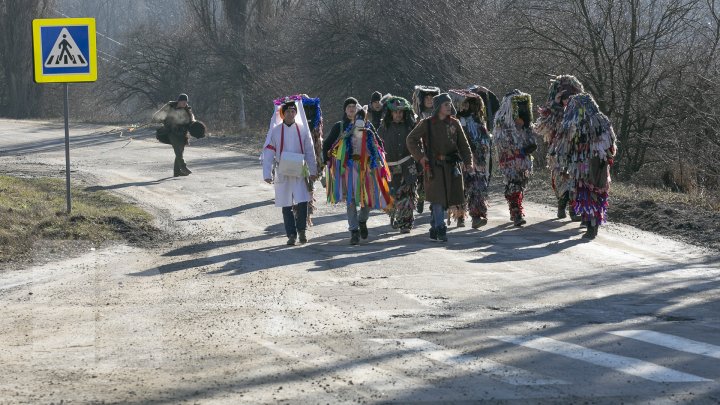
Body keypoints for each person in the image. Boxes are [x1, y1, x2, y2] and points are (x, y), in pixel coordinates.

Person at [406, 93, 473, 242]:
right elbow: (411, 140)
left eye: (450, 104)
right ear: (438, 107)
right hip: (433, 167)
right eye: (446, 104)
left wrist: (469, 164)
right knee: (437, 199)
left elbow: (464, 145)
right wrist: (421, 157)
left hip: (452, 166)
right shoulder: (426, 123)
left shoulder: (454, 123)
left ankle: (434, 226)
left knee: (447, 199)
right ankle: (441, 228)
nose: (449, 107)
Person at [326, 105, 392, 245]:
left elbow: (378, 150)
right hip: (352, 171)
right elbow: (337, 150)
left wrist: (380, 163)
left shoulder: (370, 133)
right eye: (358, 117)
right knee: (351, 201)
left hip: (367, 170)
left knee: (367, 200)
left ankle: (362, 220)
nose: (360, 120)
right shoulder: (347, 133)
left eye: (362, 117)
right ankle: (354, 231)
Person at [262, 97, 318, 245]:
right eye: (287, 111)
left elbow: (309, 151)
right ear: (282, 113)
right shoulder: (275, 131)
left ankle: (302, 231)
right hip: (282, 170)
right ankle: (291, 234)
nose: (290, 114)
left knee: (303, 200)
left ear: (296, 113)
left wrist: (313, 170)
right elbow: (268, 152)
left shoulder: (302, 130)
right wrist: (267, 173)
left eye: (293, 111)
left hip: (299, 169)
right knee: (285, 202)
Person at [563, 93, 617, 239]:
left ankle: (591, 225)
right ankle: (592, 224)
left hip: (585, 165)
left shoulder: (579, 123)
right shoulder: (603, 120)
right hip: (600, 163)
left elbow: (571, 144)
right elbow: (611, 143)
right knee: (597, 193)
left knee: (587, 192)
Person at [534, 75, 585, 220]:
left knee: (575, 179)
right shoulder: (554, 112)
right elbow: (544, 125)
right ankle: (562, 205)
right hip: (558, 152)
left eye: (569, 98)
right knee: (561, 179)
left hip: (575, 150)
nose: (566, 101)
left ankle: (573, 210)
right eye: (564, 98)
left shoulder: (579, 112)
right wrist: (555, 105)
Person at [493, 90, 538, 226]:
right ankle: (516, 211)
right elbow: (500, 141)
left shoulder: (526, 121)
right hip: (510, 160)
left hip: (523, 159)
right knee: (513, 184)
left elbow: (531, 137)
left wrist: (530, 144)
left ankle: (515, 208)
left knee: (520, 183)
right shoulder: (502, 121)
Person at [450, 89, 493, 229]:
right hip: (461, 160)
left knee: (477, 188)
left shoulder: (478, 121)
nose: (467, 107)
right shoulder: (455, 122)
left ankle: (477, 216)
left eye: (469, 104)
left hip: (478, 161)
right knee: (461, 189)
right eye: (464, 104)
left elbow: (485, 140)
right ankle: (460, 215)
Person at [377, 96, 418, 233]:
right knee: (393, 195)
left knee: (407, 194)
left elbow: (418, 143)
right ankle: (395, 215)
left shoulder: (411, 126)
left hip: (408, 165)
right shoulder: (383, 128)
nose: (398, 115)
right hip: (390, 167)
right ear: (390, 113)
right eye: (395, 112)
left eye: (401, 112)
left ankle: (405, 223)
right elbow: (377, 146)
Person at [411, 85, 442, 214]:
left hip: (436, 150)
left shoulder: (439, 115)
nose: (429, 100)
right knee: (422, 176)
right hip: (422, 150)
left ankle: (434, 202)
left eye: (432, 98)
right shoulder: (417, 116)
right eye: (427, 98)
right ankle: (421, 197)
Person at [152, 93, 195, 177]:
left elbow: (192, 120)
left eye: (186, 102)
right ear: (179, 101)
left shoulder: (187, 110)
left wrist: (194, 126)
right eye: (183, 101)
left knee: (180, 151)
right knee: (177, 150)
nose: (184, 103)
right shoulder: (170, 106)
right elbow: (159, 114)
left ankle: (177, 172)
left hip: (182, 133)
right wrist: (156, 118)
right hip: (171, 131)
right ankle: (183, 167)